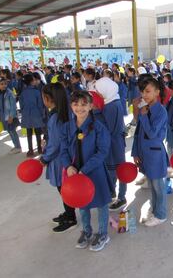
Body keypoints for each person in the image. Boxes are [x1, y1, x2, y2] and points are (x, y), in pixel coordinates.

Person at [60, 91, 112, 251]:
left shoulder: (98, 127)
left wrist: (84, 170)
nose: (79, 108)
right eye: (76, 104)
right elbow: (62, 150)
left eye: (84, 104)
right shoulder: (67, 127)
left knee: (101, 203)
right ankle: (87, 231)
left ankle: (103, 233)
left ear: (91, 106)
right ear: (71, 106)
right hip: (74, 173)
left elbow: (102, 152)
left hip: (95, 171)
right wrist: (68, 166)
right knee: (82, 203)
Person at [132, 75, 169, 226]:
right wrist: (135, 151)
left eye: (148, 91)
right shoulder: (144, 108)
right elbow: (138, 132)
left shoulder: (160, 111)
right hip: (145, 153)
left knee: (159, 187)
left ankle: (161, 215)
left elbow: (152, 133)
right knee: (153, 186)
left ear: (157, 92)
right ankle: (155, 210)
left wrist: (144, 115)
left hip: (155, 154)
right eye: (142, 91)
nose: (144, 95)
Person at [39, 83, 77, 233]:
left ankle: (70, 218)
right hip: (67, 156)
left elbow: (55, 145)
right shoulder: (67, 112)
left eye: (43, 97)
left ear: (48, 98)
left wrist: (44, 158)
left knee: (64, 189)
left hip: (59, 160)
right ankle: (68, 213)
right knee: (65, 189)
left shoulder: (56, 117)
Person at [94, 78, 127, 211]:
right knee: (114, 170)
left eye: (98, 90)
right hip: (114, 142)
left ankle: (121, 197)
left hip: (114, 143)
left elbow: (108, 129)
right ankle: (113, 193)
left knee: (119, 170)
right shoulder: (112, 100)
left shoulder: (111, 106)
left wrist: (96, 113)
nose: (97, 93)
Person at [20, 73, 45, 157]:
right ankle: (39, 148)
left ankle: (30, 150)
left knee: (29, 133)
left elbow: (21, 105)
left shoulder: (23, 92)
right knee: (38, 132)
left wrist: (24, 112)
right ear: (31, 82)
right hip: (36, 113)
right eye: (33, 80)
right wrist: (42, 114)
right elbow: (40, 105)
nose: (35, 81)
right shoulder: (37, 92)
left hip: (26, 114)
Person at [0, 77, 21, 154]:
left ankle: (18, 147)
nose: (4, 85)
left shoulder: (10, 93)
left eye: (5, 84)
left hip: (9, 116)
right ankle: (15, 146)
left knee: (13, 131)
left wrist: (11, 116)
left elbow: (13, 106)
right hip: (3, 116)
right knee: (9, 131)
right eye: (1, 84)